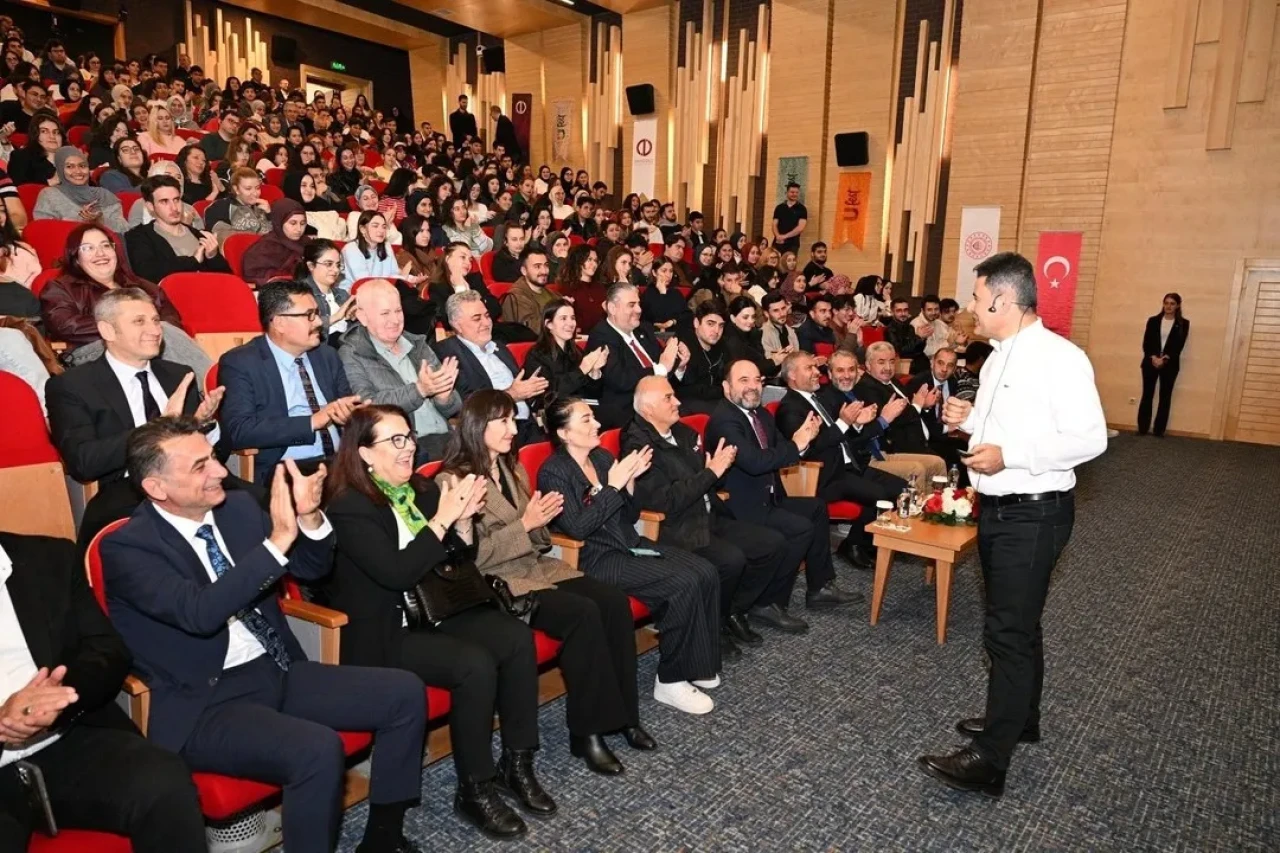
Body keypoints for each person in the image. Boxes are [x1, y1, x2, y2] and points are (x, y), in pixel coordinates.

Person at [101, 417, 427, 852]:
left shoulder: (234, 510)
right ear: (157, 487)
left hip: (275, 668)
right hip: (206, 703)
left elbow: (312, 569)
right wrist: (277, 542)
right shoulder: (128, 547)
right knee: (316, 749)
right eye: (200, 466)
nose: (220, 471)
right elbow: (200, 614)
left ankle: (383, 838)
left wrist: (309, 518)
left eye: (214, 458)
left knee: (404, 692)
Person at [917, 251, 1107, 797]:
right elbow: (1002, 425)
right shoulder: (999, 355)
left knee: (1007, 631)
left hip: (1035, 510)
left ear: (1002, 299)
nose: (971, 309)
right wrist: (969, 420)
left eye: (977, 299)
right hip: (1001, 506)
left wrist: (1011, 454)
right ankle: (1021, 718)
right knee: (1018, 624)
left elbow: (1089, 438)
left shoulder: (1060, 357)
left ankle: (990, 759)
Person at [323, 406, 549, 838]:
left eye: (409, 437)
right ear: (365, 454)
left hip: (434, 609)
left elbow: (458, 559)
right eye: (396, 440)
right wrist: (443, 519)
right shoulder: (350, 507)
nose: (409, 447)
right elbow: (395, 572)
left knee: (515, 638)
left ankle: (516, 763)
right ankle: (474, 787)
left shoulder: (421, 489)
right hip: (386, 628)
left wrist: (462, 522)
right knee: (474, 665)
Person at [440, 391, 653, 771]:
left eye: (511, 419)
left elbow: (540, 538)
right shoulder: (452, 479)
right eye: (503, 422)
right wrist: (526, 525)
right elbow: (468, 558)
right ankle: (587, 733)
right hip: (497, 584)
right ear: (477, 427)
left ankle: (624, 715)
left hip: (535, 567)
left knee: (613, 602)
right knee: (583, 614)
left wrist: (535, 525)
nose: (512, 429)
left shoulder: (512, 468)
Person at [0, 530, 207, 851]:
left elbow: (107, 650)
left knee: (164, 781)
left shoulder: (48, 557)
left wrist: (59, 699)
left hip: (64, 738)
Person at [538, 397, 723, 715]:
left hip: (627, 543)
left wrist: (631, 485)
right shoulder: (554, 472)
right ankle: (670, 681)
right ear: (564, 433)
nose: (596, 424)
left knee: (705, 570)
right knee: (681, 582)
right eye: (586, 419)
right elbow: (578, 528)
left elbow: (632, 512)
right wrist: (614, 486)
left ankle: (695, 663)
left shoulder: (602, 457)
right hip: (594, 559)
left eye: (593, 416)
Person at [624, 376, 797, 658]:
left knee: (772, 545)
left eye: (674, 395)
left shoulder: (682, 432)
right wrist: (711, 472)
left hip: (707, 513)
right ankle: (712, 626)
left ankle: (732, 611)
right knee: (731, 560)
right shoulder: (638, 445)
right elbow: (667, 502)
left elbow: (706, 481)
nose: (678, 401)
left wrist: (717, 471)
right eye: (668, 398)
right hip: (676, 527)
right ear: (648, 410)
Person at [706, 359, 861, 620]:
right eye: (744, 381)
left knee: (816, 508)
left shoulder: (761, 414)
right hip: (740, 507)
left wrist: (802, 441)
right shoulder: (725, 420)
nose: (753, 387)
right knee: (800, 529)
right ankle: (768, 602)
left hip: (768, 496)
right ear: (725, 387)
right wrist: (796, 444)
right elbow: (755, 463)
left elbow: (784, 448)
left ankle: (820, 587)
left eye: (757, 381)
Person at [219, 280, 364, 486]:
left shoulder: (327, 355)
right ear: (279, 323)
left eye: (317, 313)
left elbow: (346, 405)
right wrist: (311, 422)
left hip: (341, 462)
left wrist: (352, 414)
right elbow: (239, 430)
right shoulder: (241, 363)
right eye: (309, 315)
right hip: (288, 469)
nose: (318, 322)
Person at [775, 351, 906, 566]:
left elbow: (843, 434)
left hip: (848, 465)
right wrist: (845, 422)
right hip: (823, 476)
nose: (817, 372)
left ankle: (868, 542)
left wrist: (855, 423)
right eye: (809, 368)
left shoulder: (817, 399)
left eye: (815, 367)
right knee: (880, 496)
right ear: (792, 376)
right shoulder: (790, 408)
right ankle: (854, 544)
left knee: (901, 489)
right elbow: (808, 450)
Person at [38, 224, 209, 373]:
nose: (100, 253)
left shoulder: (143, 287)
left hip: (149, 343)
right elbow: (66, 326)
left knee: (165, 332)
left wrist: (143, 328)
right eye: (88, 248)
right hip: (94, 349)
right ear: (76, 257)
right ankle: (213, 391)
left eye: (106, 246)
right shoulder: (60, 288)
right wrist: (127, 326)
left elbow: (171, 319)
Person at [341, 280, 461, 463]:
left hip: (448, 438)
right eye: (385, 313)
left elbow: (454, 406)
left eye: (398, 311)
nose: (395, 320)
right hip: (407, 450)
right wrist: (419, 391)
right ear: (363, 317)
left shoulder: (417, 344)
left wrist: (443, 397)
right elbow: (367, 406)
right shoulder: (352, 353)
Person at [431, 290, 548, 446]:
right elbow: (466, 405)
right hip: (491, 435)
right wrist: (511, 395)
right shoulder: (447, 352)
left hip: (528, 426)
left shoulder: (499, 347)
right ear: (457, 325)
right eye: (476, 319)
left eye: (487, 316)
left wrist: (532, 390)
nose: (486, 323)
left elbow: (522, 388)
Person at [823, 348, 941, 484]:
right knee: (916, 469)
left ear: (857, 372)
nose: (847, 375)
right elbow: (849, 441)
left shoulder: (856, 392)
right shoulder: (828, 399)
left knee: (937, 463)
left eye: (851, 370)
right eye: (840, 370)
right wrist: (882, 420)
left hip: (880, 452)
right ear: (830, 374)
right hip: (863, 460)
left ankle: (936, 504)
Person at [586, 282, 690, 430]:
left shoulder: (644, 329)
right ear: (612, 308)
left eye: (639, 304)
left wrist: (679, 367)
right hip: (627, 410)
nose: (639, 310)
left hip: (661, 403)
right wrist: (660, 369)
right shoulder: (601, 336)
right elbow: (621, 379)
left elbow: (664, 367)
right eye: (631, 305)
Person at [124, 175, 229, 282]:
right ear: (150, 206)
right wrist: (193, 260)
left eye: (176, 200)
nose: (174, 208)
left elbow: (228, 279)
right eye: (164, 201)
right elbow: (148, 274)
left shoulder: (200, 235)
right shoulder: (138, 237)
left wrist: (213, 256)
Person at [523, 298, 607, 409]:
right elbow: (547, 397)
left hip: (580, 407)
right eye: (563, 318)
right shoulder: (537, 355)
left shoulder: (576, 351)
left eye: (573, 318)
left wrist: (594, 372)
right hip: (555, 413)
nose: (570, 323)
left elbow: (593, 395)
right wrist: (581, 370)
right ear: (549, 324)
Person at [33, 147, 132, 233]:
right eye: (70, 166)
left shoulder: (104, 195)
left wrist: (100, 220)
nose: (78, 171)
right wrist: (83, 222)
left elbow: (125, 230)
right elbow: (44, 230)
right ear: (60, 170)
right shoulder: (49, 195)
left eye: (82, 166)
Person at [1138, 293, 1189, 437]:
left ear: (1178, 306)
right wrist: (1154, 357)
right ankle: (1142, 429)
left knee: (1165, 397)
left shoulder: (1184, 323)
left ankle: (1159, 430)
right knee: (1147, 395)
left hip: (1170, 365)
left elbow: (1179, 345)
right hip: (1150, 363)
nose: (1168, 306)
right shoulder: (1153, 320)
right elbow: (1146, 342)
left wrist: (1164, 358)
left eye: (1172, 303)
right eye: (1166, 303)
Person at [676, 299, 729, 416]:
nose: (716, 331)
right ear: (696, 323)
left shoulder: (722, 345)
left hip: (715, 401)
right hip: (688, 405)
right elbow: (687, 390)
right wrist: (724, 390)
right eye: (710, 324)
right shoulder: (682, 346)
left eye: (721, 326)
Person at [241, 199, 310, 287]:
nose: (299, 229)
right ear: (279, 222)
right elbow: (254, 276)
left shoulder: (307, 243)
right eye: (293, 223)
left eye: (303, 223)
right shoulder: (265, 247)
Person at [499, 244, 559, 333]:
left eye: (546, 265)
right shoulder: (515, 296)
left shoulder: (553, 294)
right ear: (524, 271)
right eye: (537, 266)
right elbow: (530, 329)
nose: (544, 271)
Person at [205, 167, 272, 240]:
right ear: (236, 189)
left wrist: (269, 215)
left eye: (257, 188)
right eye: (248, 189)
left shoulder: (262, 206)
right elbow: (223, 238)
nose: (255, 193)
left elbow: (274, 234)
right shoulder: (221, 207)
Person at [556, 244, 608, 334]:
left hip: (602, 335)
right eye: (589, 260)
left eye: (596, 261)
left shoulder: (600, 287)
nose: (594, 264)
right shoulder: (567, 288)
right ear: (578, 261)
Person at [640, 257, 690, 332]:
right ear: (654, 273)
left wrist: (673, 321)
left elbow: (687, 315)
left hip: (676, 333)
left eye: (671, 271)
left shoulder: (675, 293)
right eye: (664, 271)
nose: (668, 275)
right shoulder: (648, 294)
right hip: (654, 334)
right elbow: (660, 319)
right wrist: (663, 294)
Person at [910, 294, 950, 374]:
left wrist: (955, 342)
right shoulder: (916, 324)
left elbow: (949, 341)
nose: (933, 312)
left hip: (940, 363)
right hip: (923, 366)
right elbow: (927, 351)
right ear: (922, 310)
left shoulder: (939, 323)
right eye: (929, 310)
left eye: (936, 309)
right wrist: (949, 344)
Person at [884, 297, 927, 366]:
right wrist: (918, 337)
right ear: (892, 312)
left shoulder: (910, 327)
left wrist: (923, 338)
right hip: (901, 363)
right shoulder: (890, 329)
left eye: (905, 310)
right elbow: (900, 351)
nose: (903, 314)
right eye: (899, 311)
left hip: (915, 360)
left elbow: (918, 349)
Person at [759, 290, 800, 362]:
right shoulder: (763, 335)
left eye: (783, 308)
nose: (782, 314)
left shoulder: (790, 330)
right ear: (766, 314)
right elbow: (769, 365)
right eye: (776, 310)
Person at [771, 182, 808, 254]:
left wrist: (784, 236)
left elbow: (800, 228)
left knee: (789, 264)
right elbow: (774, 224)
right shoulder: (779, 207)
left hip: (792, 244)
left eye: (796, 192)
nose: (794, 194)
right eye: (792, 192)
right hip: (778, 242)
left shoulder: (802, 209)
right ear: (787, 192)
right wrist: (778, 236)